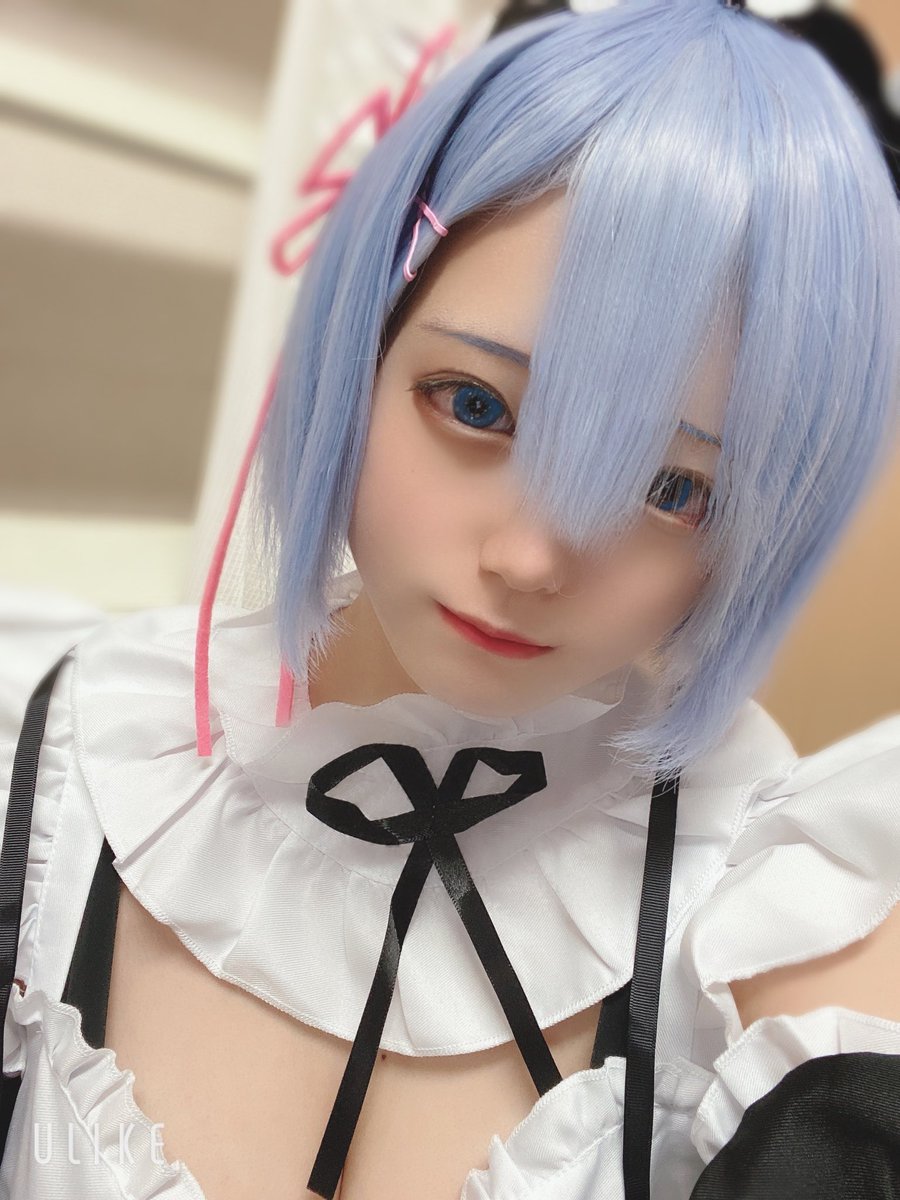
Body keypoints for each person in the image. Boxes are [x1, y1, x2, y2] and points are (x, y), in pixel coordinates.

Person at [1, 0, 899, 1196]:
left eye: (672, 488)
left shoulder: (772, 920)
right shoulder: (64, 750)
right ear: (364, 337)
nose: (530, 560)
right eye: (476, 405)